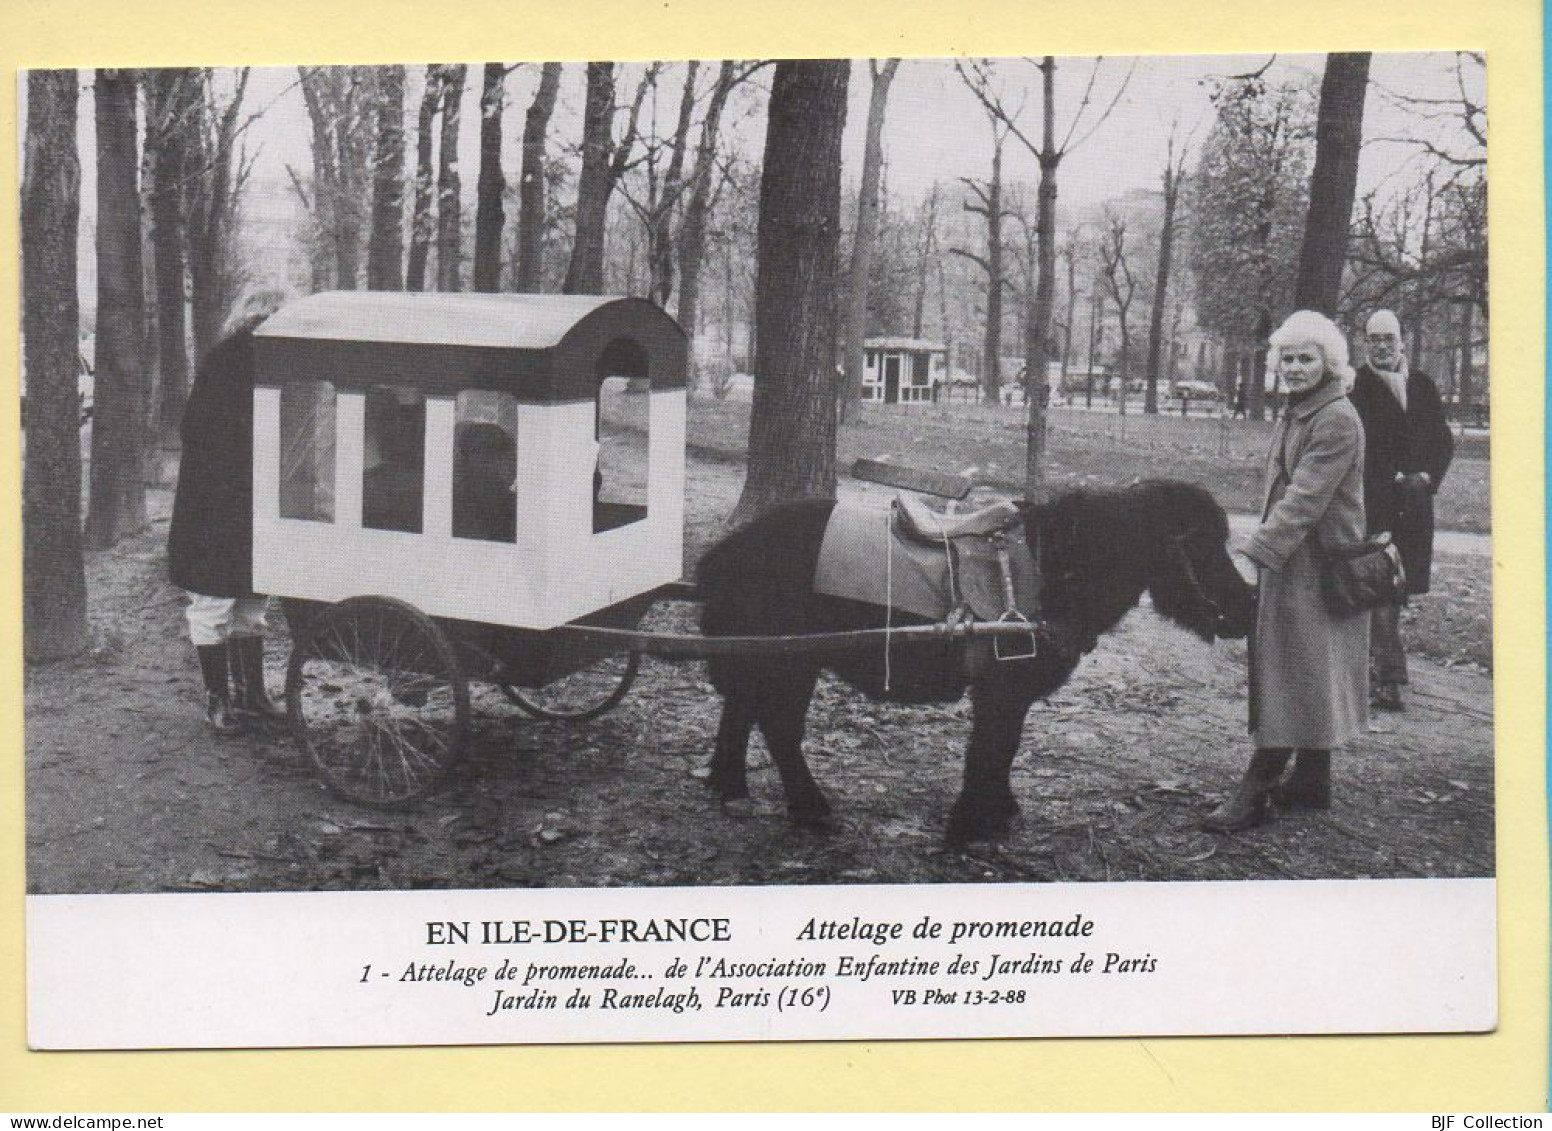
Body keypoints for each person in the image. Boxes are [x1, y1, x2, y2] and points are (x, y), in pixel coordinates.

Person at [1204, 310, 1369, 832]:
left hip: (1317, 568)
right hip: (1297, 561)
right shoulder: (1302, 409)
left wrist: (1254, 551)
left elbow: (1304, 499)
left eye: (1307, 357)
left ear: (1330, 361)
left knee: (1290, 670)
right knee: (1309, 667)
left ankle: (1254, 793)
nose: (1295, 367)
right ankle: (1312, 780)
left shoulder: (1336, 417)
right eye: (1288, 358)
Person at [167, 291, 289, 735]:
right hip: (214, 506)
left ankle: (252, 694)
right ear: (259, 319)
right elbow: (198, 431)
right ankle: (216, 700)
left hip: (250, 502)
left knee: (252, 603)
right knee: (214, 602)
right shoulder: (225, 363)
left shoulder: (273, 363)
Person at [1348, 309, 1455, 711]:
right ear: (1365, 342)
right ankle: (1387, 680)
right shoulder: (1355, 387)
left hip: (1415, 508)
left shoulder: (1422, 385)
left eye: (1388, 338)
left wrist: (1427, 478)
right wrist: (1389, 478)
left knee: (1397, 590)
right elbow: (1355, 451)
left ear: (1402, 341)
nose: (1381, 346)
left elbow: (1442, 441)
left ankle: (1380, 674)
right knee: (1380, 590)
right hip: (1376, 507)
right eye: (1373, 338)